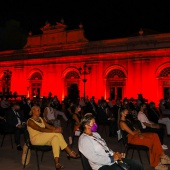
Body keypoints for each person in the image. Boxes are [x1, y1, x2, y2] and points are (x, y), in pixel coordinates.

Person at [78, 113, 143, 170]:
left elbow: (105, 148)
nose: (95, 124)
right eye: (93, 123)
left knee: (137, 164)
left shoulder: (96, 134)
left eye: (95, 122)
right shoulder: (84, 140)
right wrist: (112, 159)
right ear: (86, 125)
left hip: (111, 159)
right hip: (100, 166)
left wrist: (114, 154)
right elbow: (94, 158)